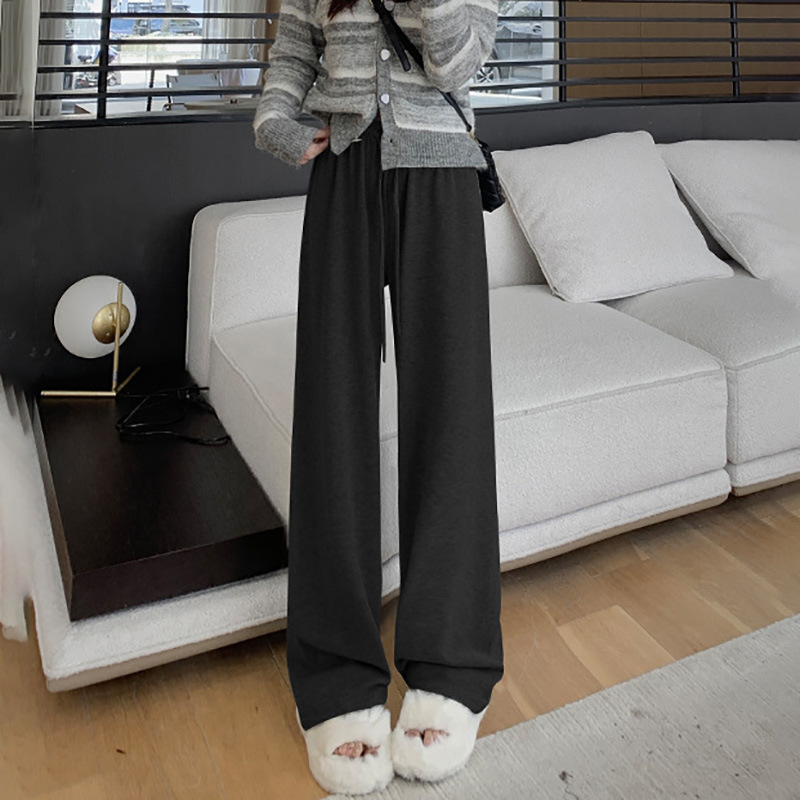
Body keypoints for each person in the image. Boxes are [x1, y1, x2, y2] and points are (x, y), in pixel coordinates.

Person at [253, 0, 504, 793]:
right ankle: (336, 677)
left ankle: (452, 666)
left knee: (451, 420)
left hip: (442, 175)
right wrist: (275, 119)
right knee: (332, 420)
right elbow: (296, 46)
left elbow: (459, 60)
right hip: (344, 172)